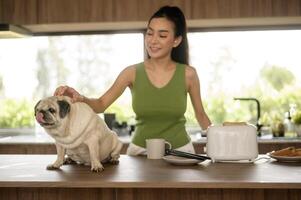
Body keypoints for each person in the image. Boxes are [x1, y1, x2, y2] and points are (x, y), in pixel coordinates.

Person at [54, 5, 211, 155]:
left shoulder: (188, 74)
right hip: (140, 151)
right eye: (150, 33)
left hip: (180, 151)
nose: (153, 40)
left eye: (162, 35)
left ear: (176, 41)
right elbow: (101, 105)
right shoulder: (132, 73)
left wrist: (219, 142)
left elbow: (201, 115)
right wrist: (80, 98)